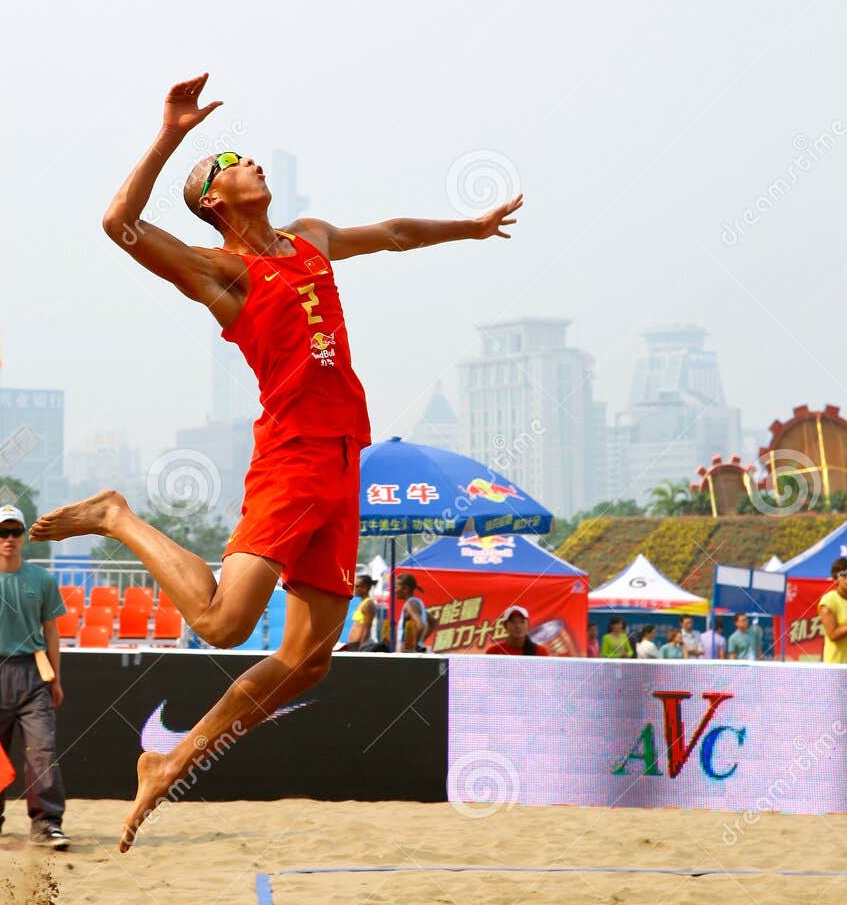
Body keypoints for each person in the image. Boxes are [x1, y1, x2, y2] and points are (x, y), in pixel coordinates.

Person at [31, 75, 522, 851]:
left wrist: (469, 227)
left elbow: (392, 232)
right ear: (214, 200)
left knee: (310, 661)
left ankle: (167, 762)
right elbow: (118, 222)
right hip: (291, 456)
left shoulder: (309, 237)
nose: (248, 160)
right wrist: (171, 133)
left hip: (340, 461)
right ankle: (115, 514)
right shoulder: (219, 272)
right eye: (230, 161)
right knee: (225, 622)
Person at [0, 504, 69, 848]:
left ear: (23, 537)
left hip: (34, 673)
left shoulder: (42, 581)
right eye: (2, 533)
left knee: (42, 750)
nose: (9, 539)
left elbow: (52, 632)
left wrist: (56, 680)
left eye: (15, 532)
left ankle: (47, 824)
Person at [817, 557, 847, 664]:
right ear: (836, 578)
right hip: (837, 667)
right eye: (843, 574)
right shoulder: (829, 600)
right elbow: (833, 635)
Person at [395, 573, 431, 652]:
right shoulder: (416, 602)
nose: (394, 591)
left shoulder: (410, 604)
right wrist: (420, 641)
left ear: (405, 589)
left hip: (406, 652)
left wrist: (414, 646)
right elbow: (433, 621)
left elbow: (420, 625)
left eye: (396, 587)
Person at [340, 574, 377, 650]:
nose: (354, 589)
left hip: (358, 645)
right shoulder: (362, 603)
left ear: (365, 588)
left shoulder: (368, 604)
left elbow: (367, 627)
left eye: (357, 586)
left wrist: (362, 646)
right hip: (353, 643)